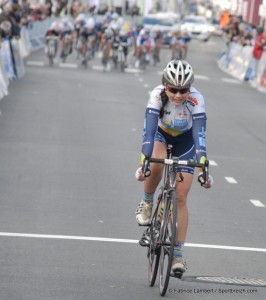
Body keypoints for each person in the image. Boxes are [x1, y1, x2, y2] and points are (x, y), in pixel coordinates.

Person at [135, 59, 213, 274]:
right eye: (173, 89)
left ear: (190, 88)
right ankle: (147, 202)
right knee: (157, 164)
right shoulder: (157, 95)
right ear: (165, 85)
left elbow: (199, 135)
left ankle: (178, 254)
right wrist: (145, 160)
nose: (178, 95)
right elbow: (149, 132)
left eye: (183, 90)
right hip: (160, 135)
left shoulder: (197, 99)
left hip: (186, 141)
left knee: (181, 196)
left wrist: (203, 166)